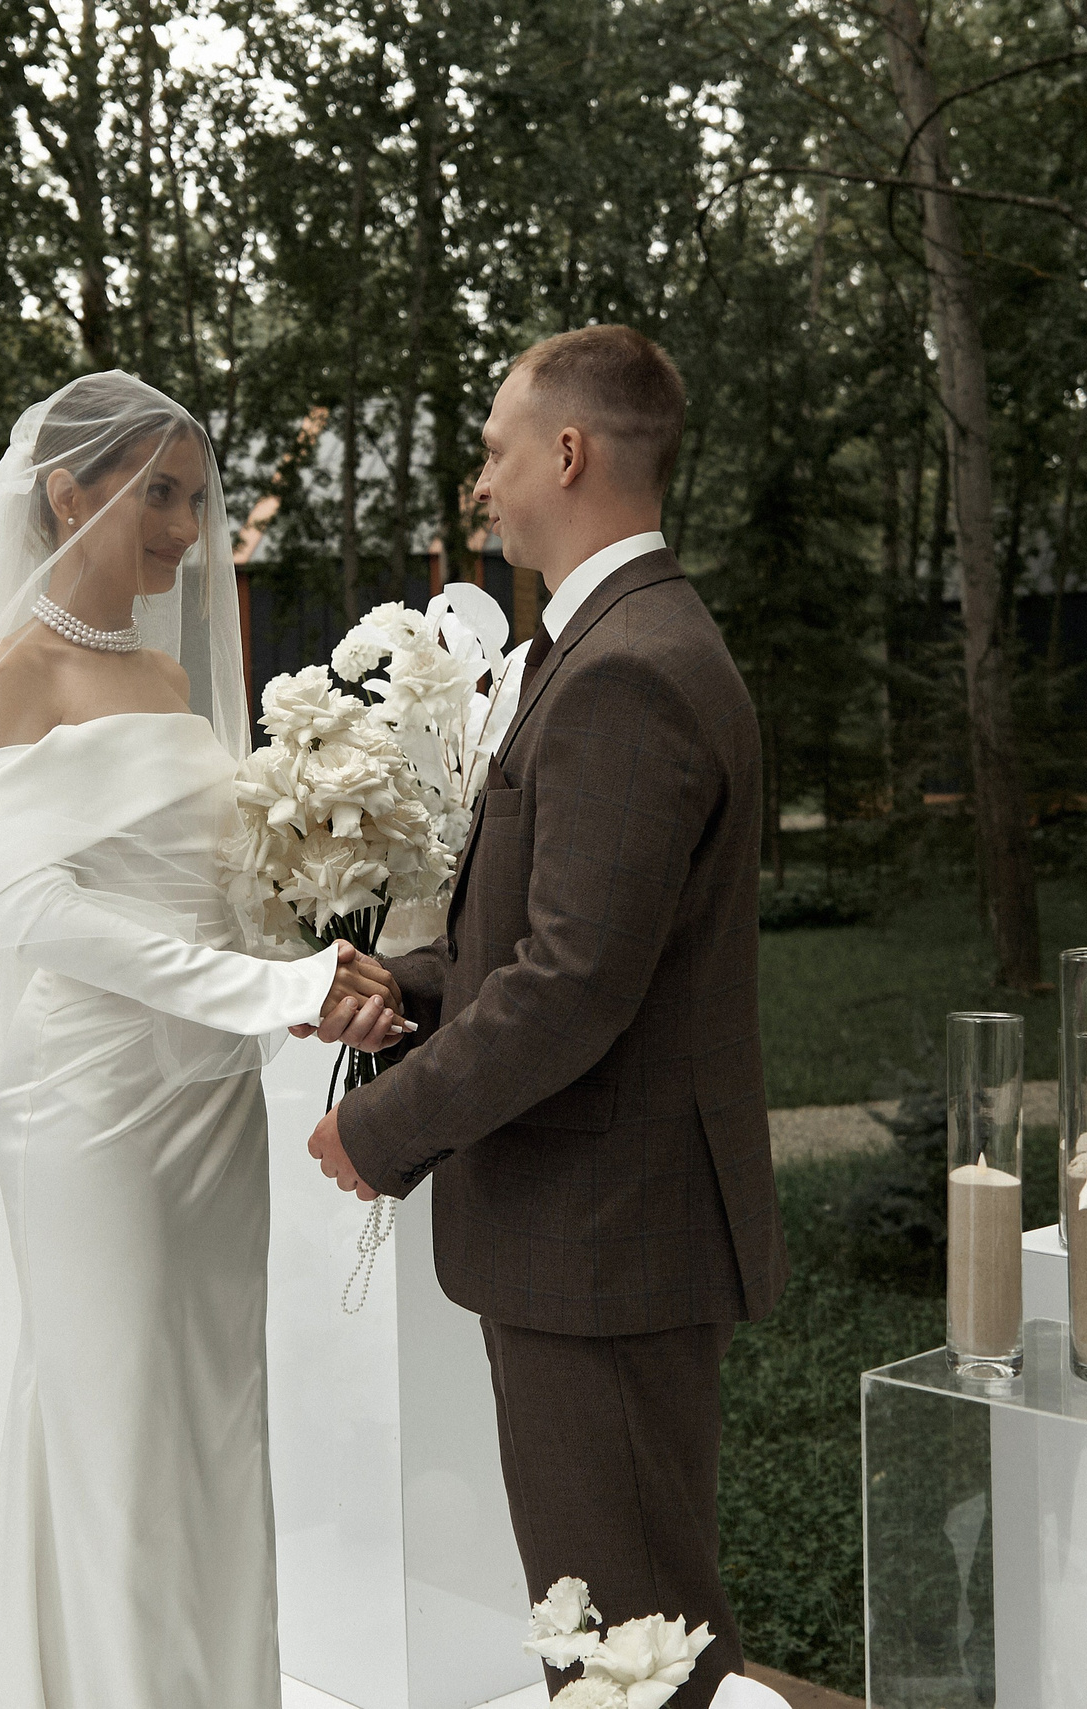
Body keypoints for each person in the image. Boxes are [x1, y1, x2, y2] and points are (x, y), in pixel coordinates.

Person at [0, 372, 400, 1709]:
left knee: (215, 1425)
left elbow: (220, 897)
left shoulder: (164, 674)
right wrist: (273, 996)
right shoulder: (7, 675)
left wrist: (323, 963)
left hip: (209, 1107)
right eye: (160, 494)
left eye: (197, 498)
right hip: (88, 1105)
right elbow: (32, 909)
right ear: (64, 492)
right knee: (120, 1437)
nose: (189, 530)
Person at [303, 326, 788, 1706]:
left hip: (607, 1234)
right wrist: (414, 984)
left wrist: (382, 1130)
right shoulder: (613, 647)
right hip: (595, 1225)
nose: (483, 483)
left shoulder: (631, 666)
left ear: (569, 453)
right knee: (608, 1620)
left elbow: (577, 983)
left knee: (637, 1638)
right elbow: (563, 941)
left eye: (499, 450)